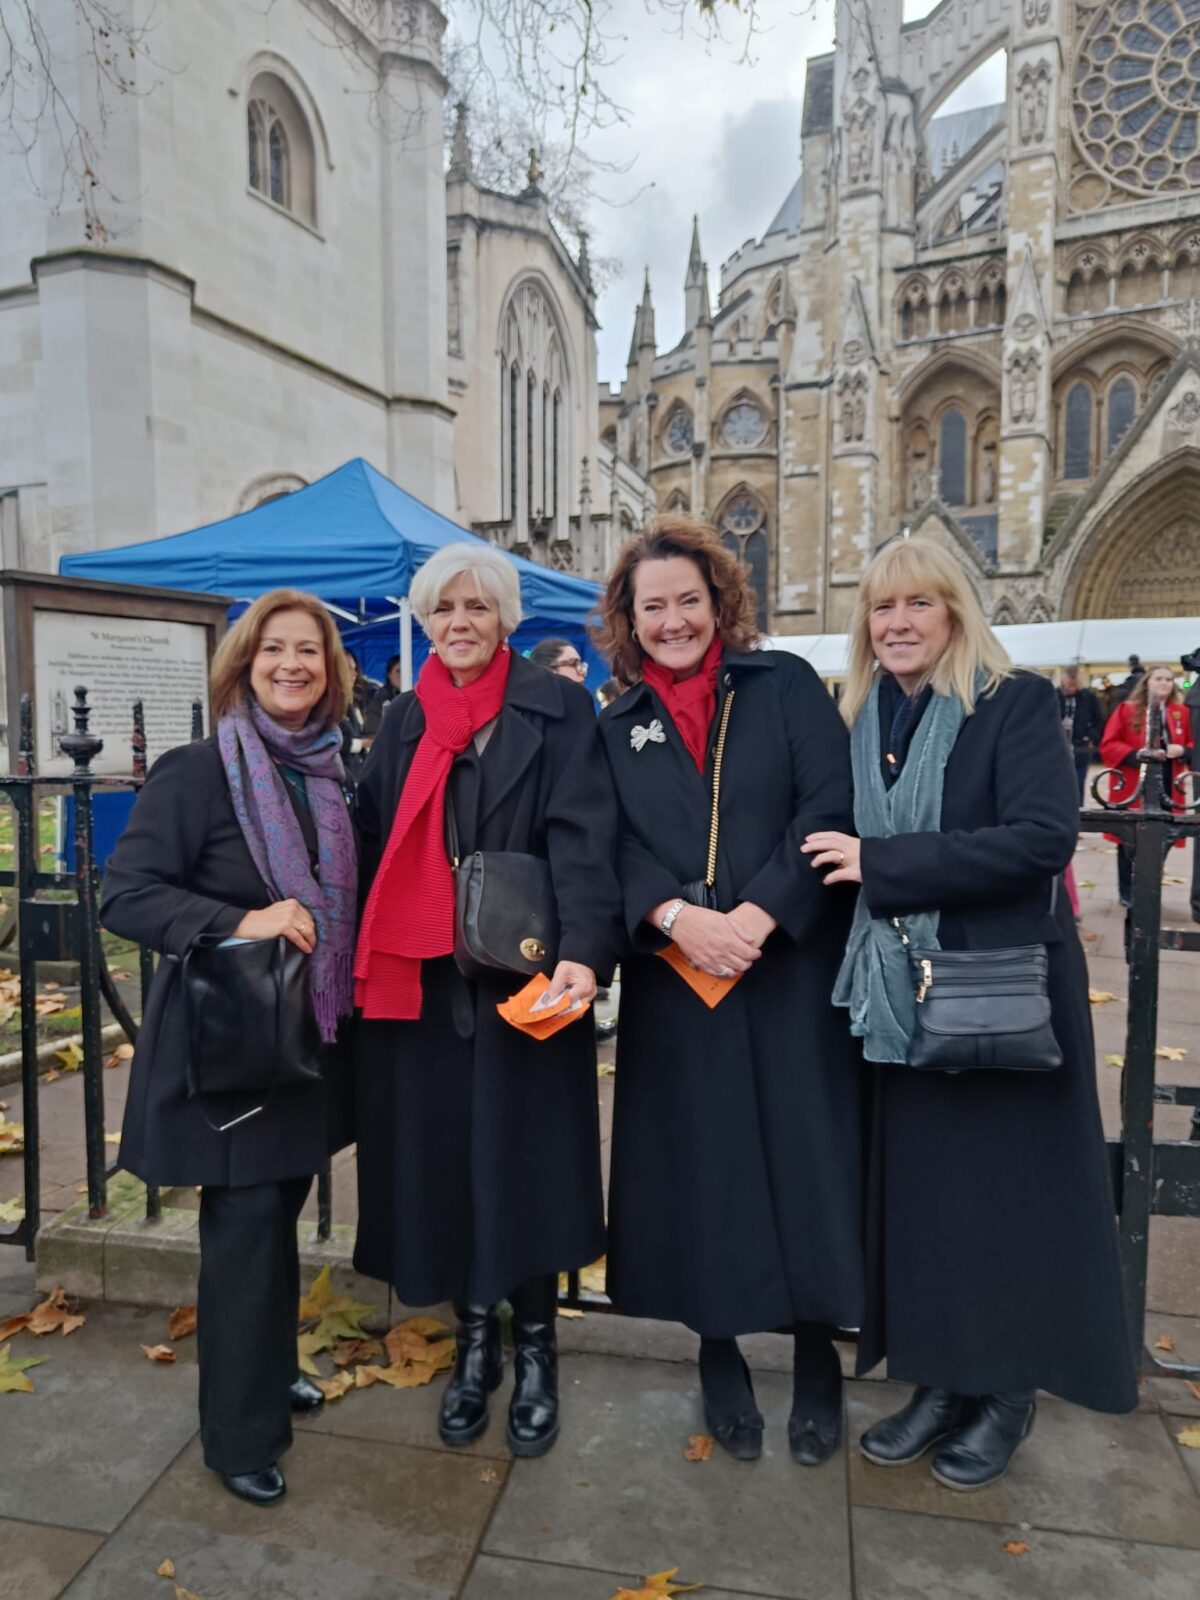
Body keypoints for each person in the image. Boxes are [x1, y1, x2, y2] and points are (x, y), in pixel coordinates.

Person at [803, 535, 1136, 1492]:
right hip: (903, 1000)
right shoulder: (865, 719)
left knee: (1003, 1202)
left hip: (996, 994)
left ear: (957, 611)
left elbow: (1039, 839)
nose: (898, 623)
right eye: (881, 608)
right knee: (928, 1204)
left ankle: (1007, 1393)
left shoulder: (1014, 703)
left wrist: (886, 866)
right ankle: (943, 1383)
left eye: (919, 604)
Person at [593, 515, 863, 1467]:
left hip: (784, 965)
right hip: (680, 978)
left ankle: (817, 1350)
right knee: (704, 1170)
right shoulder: (616, 724)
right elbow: (606, 848)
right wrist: (672, 918)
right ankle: (717, 1347)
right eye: (652, 605)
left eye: (688, 602)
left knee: (804, 1159)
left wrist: (757, 918)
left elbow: (826, 805)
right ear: (630, 618)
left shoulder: (781, 685)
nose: (672, 621)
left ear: (720, 604)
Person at [353, 542, 623, 1458]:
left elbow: (586, 836)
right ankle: (477, 1341)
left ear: (506, 618)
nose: (459, 624)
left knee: (529, 1164)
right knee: (450, 1167)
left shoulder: (557, 706)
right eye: (443, 610)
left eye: (475, 608)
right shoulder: (404, 718)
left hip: (528, 972)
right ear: (425, 623)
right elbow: (368, 832)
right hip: (426, 983)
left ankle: (537, 1347)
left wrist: (585, 954)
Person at [101, 590, 358, 1506]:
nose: (292, 665)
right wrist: (240, 918)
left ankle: (267, 1368)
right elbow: (124, 894)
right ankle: (239, 1434)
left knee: (274, 1219)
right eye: (274, 651)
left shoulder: (331, 775)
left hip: (306, 1043)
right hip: (232, 1048)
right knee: (244, 1234)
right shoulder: (197, 770)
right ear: (242, 665)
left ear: (331, 673)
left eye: (310, 653)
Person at [1100, 664, 1193, 910]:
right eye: (1159, 678)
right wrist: (1136, 755)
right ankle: (1127, 891)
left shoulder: (1180, 712)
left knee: (1160, 838)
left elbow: (1192, 743)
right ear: (1147, 683)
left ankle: (1150, 886)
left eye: (1169, 679)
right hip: (1133, 782)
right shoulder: (1126, 710)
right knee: (1128, 839)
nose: (1164, 683)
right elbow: (1108, 744)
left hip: (1168, 784)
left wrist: (1182, 750)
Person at [1056, 665, 1104, 804]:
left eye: (1075, 685)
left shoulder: (1088, 697)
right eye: (1070, 685)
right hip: (1058, 746)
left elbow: (1098, 719)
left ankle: (1078, 810)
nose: (1072, 688)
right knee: (1058, 782)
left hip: (1081, 746)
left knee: (1078, 782)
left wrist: (1091, 737)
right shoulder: (1054, 696)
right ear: (1063, 680)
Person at [363, 654, 403, 739]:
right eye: (398, 671)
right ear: (389, 675)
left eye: (406, 670)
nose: (402, 675)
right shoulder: (381, 699)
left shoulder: (410, 696)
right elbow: (373, 730)